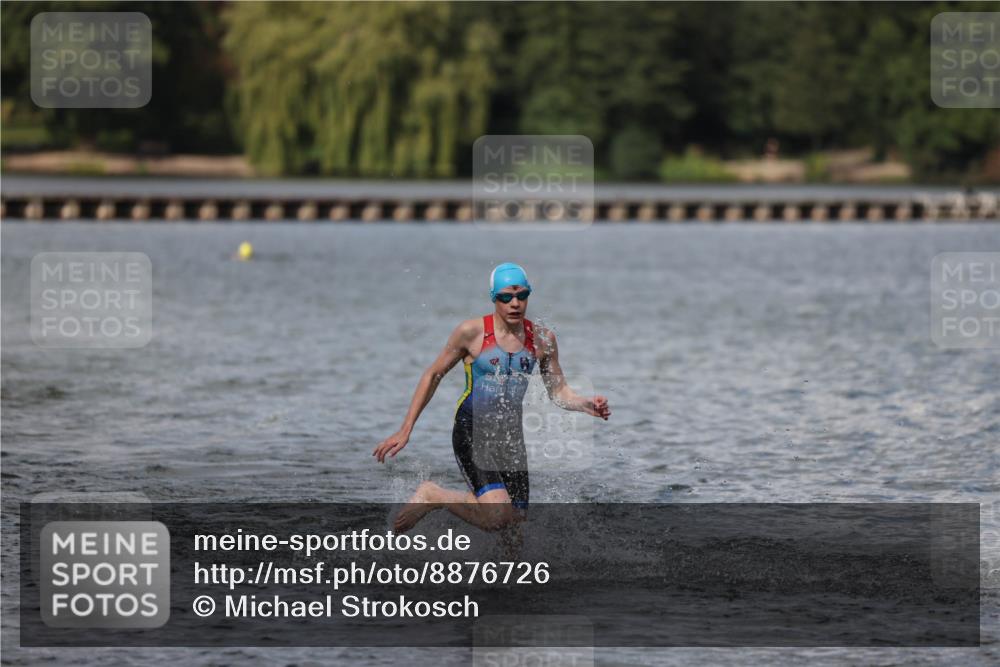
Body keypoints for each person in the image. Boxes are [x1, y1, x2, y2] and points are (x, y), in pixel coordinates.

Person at [373, 262, 610, 533]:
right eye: (505, 297)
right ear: (493, 298)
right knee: (498, 517)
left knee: (515, 525)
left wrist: (585, 404)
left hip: (510, 440)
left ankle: (507, 575)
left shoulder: (543, 339)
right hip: (472, 431)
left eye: (522, 295)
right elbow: (433, 374)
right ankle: (434, 496)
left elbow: (558, 392)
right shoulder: (471, 333)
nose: (515, 303)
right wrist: (406, 429)